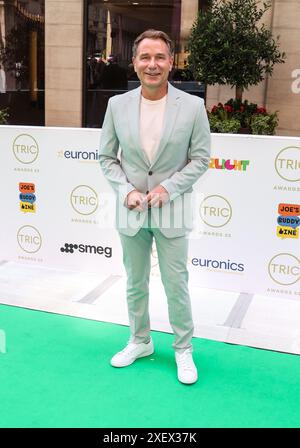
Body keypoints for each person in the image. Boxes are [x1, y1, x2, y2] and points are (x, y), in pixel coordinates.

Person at [99, 29, 211, 385]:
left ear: (171, 62)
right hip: (131, 211)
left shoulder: (192, 107)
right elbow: (106, 158)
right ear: (134, 62)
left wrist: (168, 187)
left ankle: (183, 349)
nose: (152, 64)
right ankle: (140, 341)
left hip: (172, 210)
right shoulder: (117, 105)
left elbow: (200, 159)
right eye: (145, 57)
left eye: (160, 57)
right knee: (135, 282)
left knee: (176, 284)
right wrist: (125, 189)